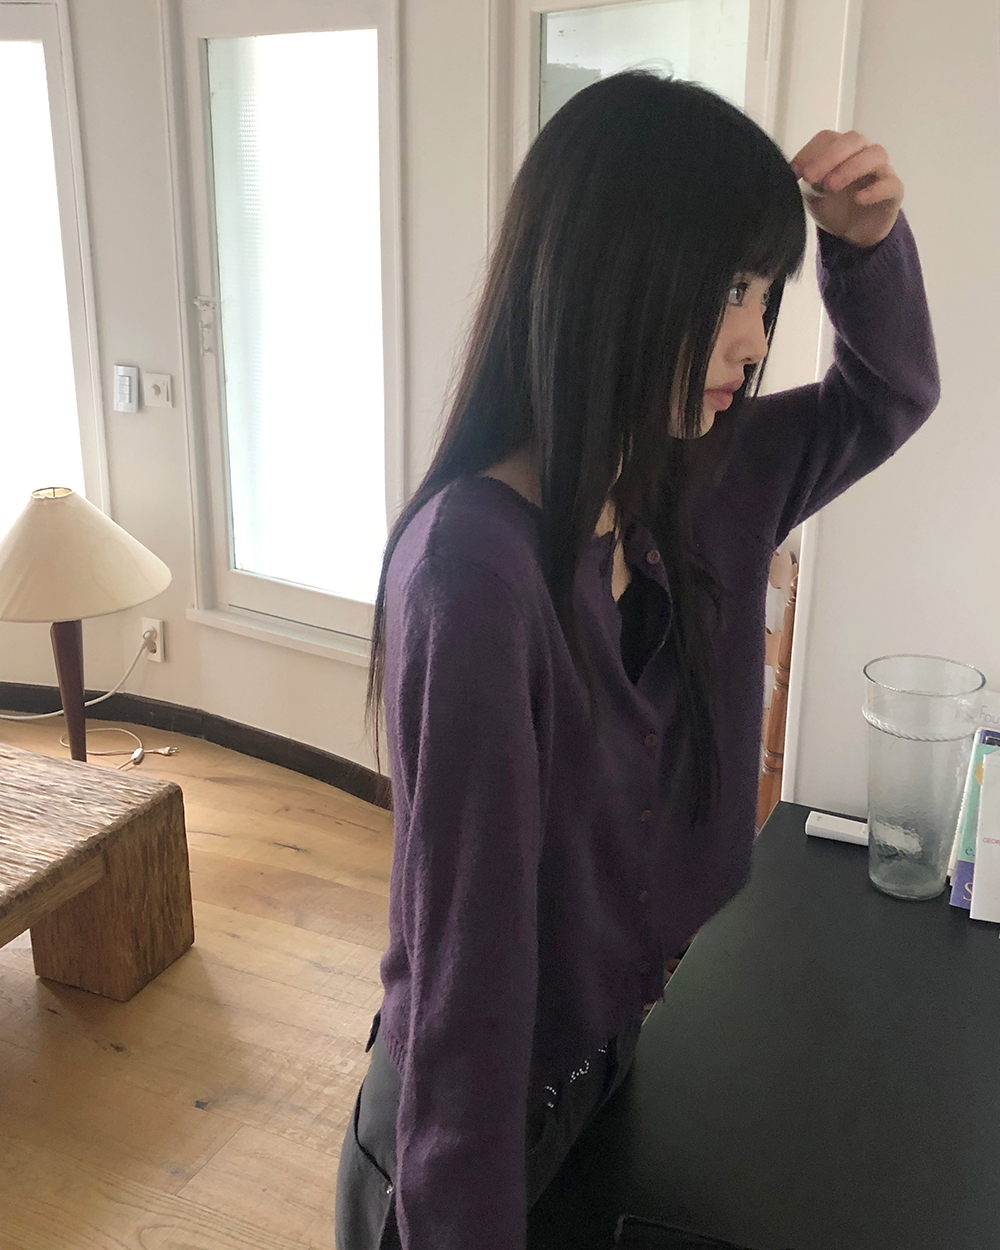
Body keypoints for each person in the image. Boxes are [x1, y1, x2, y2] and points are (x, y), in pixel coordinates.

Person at [335, 72, 939, 1250]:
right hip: (470, 1147)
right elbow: (467, 999)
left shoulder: (704, 474)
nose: (754, 340)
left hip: (607, 1067)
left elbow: (889, 393)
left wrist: (864, 249)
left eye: (762, 293)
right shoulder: (474, 576)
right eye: (725, 290)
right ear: (607, 275)